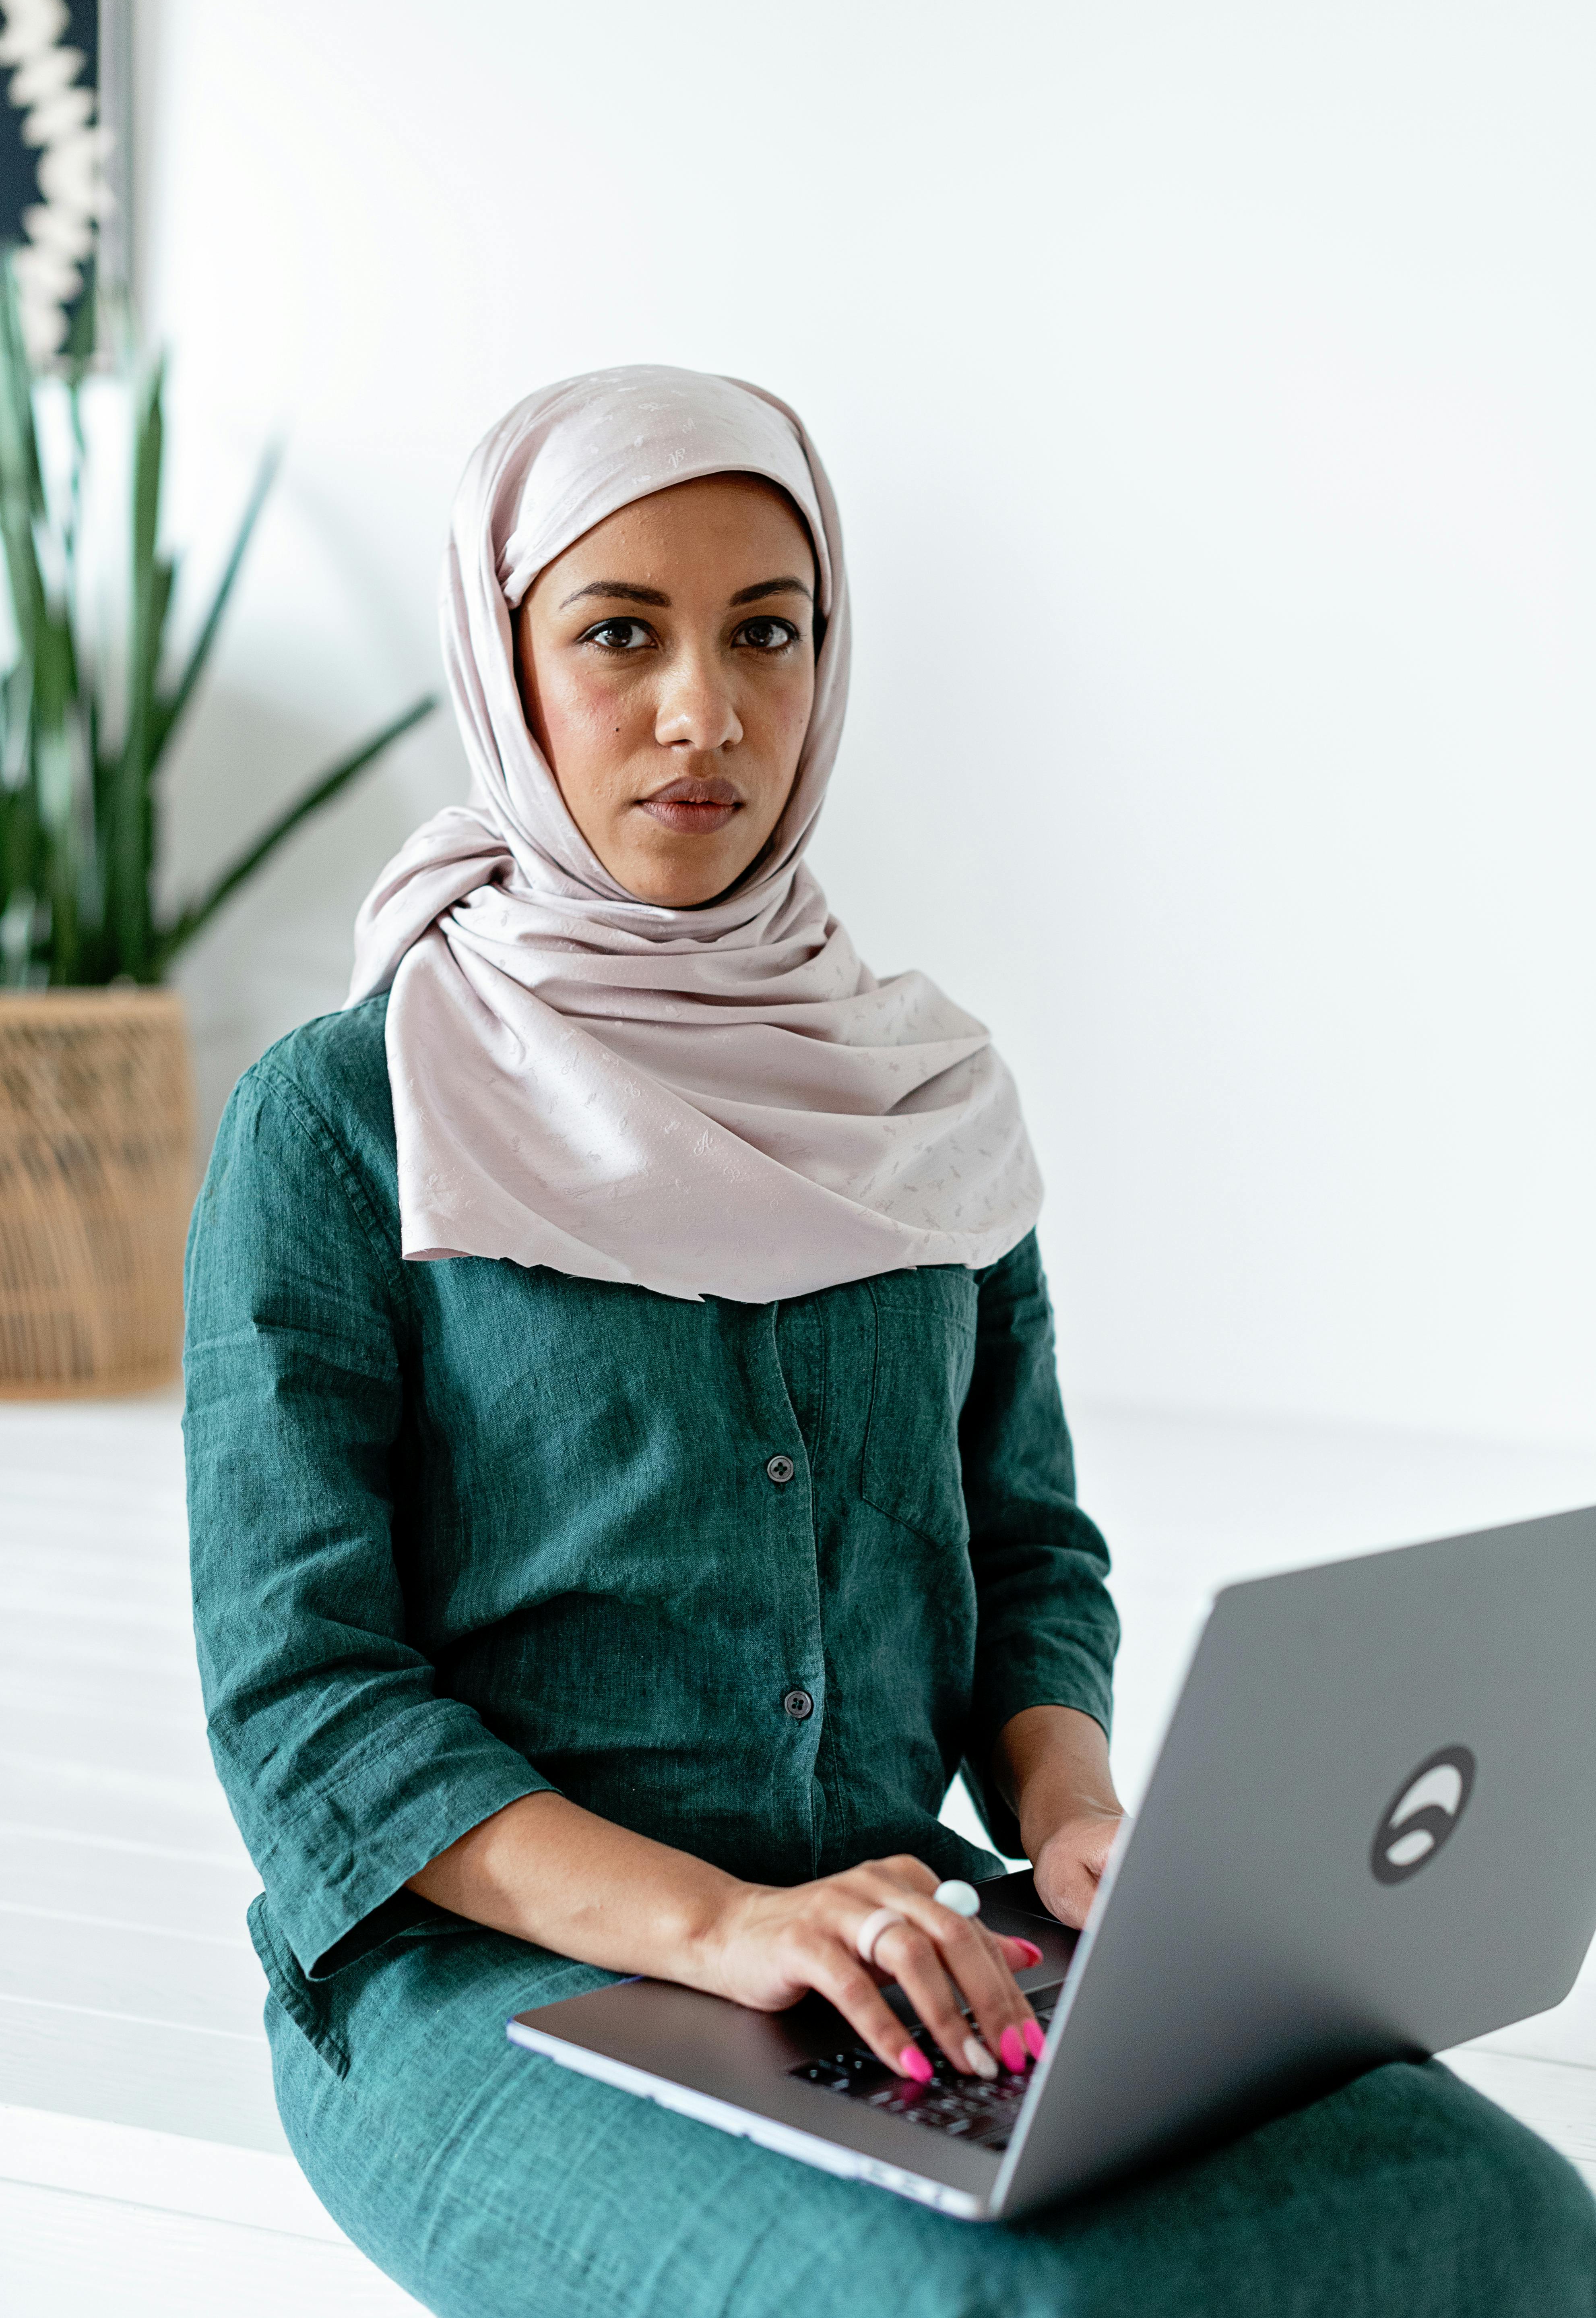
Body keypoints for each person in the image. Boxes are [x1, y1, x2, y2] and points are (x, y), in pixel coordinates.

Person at [184, 367, 1593, 2318]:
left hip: (895, 1936)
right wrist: (718, 1926)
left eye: (767, 633)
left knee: (1498, 2209)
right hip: (488, 1978)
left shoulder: (914, 1095)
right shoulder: (345, 1117)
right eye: (619, 635)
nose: (708, 710)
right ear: (502, 666)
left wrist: (1078, 1824)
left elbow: (1025, 1553)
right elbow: (305, 1699)